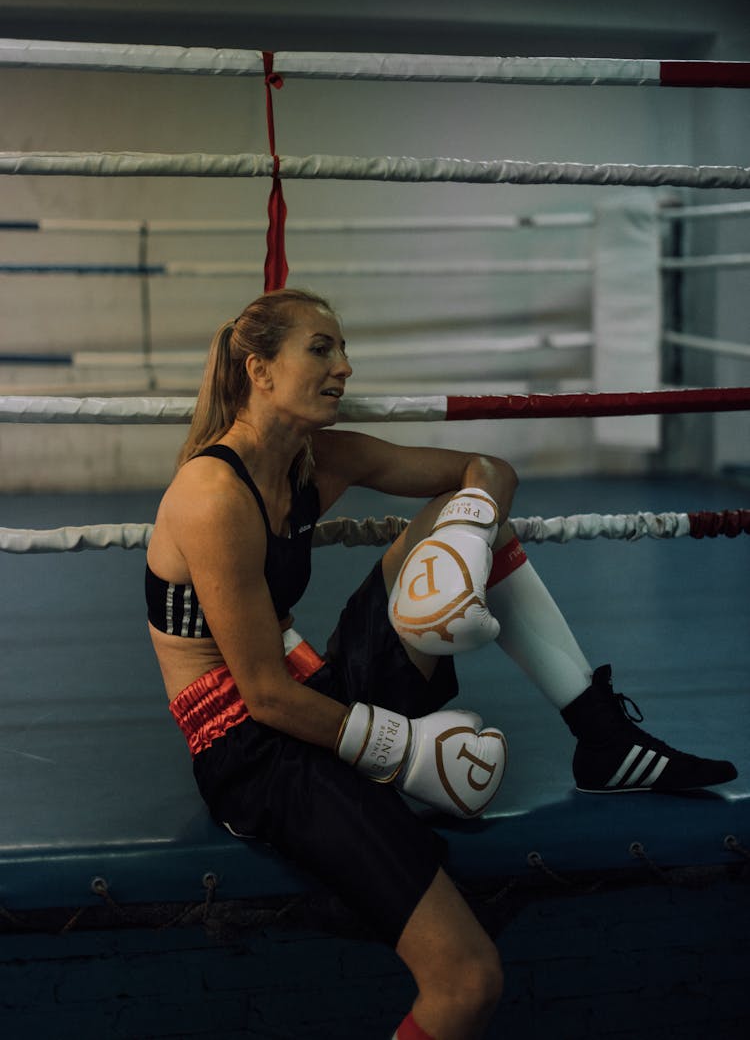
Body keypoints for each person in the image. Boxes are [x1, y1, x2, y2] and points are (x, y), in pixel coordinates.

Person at [146, 287, 736, 1040]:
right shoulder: (211, 493)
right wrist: (403, 749)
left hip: (308, 695)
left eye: (343, 349)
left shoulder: (314, 461)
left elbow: (488, 469)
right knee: (466, 979)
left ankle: (600, 735)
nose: (345, 367)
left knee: (465, 516)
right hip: (251, 753)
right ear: (259, 370)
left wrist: (461, 546)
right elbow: (261, 696)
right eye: (321, 349)